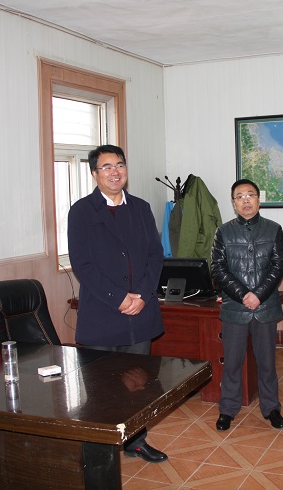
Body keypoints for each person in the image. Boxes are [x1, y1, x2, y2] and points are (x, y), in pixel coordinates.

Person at [67, 144, 168, 463]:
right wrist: (119, 298)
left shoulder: (140, 208)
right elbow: (82, 265)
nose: (115, 172)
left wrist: (143, 295)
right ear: (94, 173)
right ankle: (102, 451)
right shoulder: (81, 211)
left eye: (120, 165)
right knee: (103, 387)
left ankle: (137, 441)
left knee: (139, 384)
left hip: (140, 313)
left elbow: (154, 255)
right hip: (103, 314)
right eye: (107, 167)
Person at [211, 179, 283, 431]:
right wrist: (244, 295)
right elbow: (218, 269)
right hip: (235, 307)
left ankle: (271, 408)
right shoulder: (223, 232)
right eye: (239, 196)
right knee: (232, 362)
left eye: (250, 195)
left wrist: (259, 295)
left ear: (258, 199)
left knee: (266, 362)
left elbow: (278, 267)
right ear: (234, 203)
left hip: (265, 307)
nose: (245, 200)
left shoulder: (273, 229)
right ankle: (227, 409)